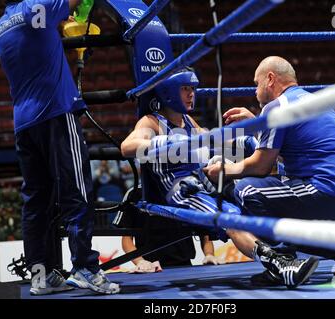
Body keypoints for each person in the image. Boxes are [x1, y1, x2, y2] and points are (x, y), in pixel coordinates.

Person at [121, 69, 319, 288]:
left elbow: (210, 143)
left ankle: (300, 253)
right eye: (185, 89)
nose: (191, 94)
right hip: (182, 190)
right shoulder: (151, 122)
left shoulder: (188, 121)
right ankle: (280, 265)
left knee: (253, 200)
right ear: (168, 93)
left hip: (204, 182)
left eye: (192, 89)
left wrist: (248, 139)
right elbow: (127, 147)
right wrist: (165, 143)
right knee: (230, 218)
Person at [204, 56, 335, 278]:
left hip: (326, 193)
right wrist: (257, 122)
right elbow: (286, 148)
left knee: (247, 190)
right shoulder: (313, 101)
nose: (255, 90)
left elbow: (262, 166)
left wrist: (226, 169)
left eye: (257, 83)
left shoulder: (276, 107)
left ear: (270, 79)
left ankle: (283, 262)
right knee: (278, 189)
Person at [0, 0, 119, 295]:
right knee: (77, 189)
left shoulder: (1, 25)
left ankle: (41, 274)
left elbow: (39, 37)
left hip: (24, 122)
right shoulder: (40, 5)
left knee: (36, 200)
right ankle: (86, 267)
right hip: (55, 111)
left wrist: (61, 27)